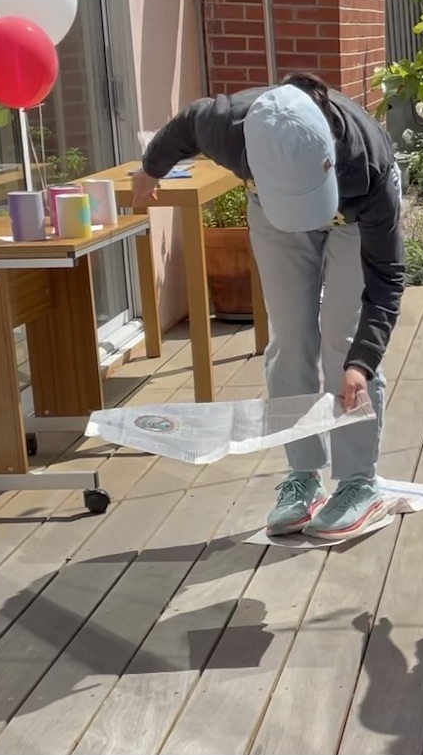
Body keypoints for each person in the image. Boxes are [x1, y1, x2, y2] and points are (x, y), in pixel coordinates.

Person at [132, 72, 405, 541]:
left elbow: (385, 282)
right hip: (271, 210)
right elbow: (184, 126)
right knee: (290, 338)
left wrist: (363, 362)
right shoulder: (229, 126)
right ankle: (303, 476)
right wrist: (151, 168)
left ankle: (359, 484)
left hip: (355, 218)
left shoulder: (369, 166)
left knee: (343, 340)